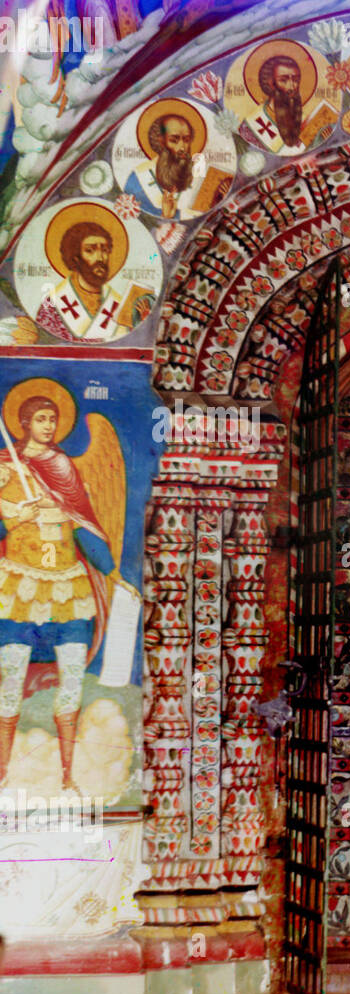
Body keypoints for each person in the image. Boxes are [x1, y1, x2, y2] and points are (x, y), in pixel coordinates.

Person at [0, 396, 116, 791]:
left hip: (68, 590)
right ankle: (1, 774)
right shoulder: (5, 469)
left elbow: (85, 525)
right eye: (41, 419)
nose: (48, 425)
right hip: (20, 589)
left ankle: (68, 778)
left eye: (53, 419)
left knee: (72, 683)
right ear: (24, 423)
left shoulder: (64, 467)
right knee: (10, 680)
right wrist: (17, 516)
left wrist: (113, 572)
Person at [34, 221, 151, 343]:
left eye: (105, 250)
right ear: (76, 257)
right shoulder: (52, 307)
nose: (100, 257)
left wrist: (142, 324)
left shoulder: (120, 306)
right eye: (90, 250)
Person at [124, 113, 209, 220]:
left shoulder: (199, 176)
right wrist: (166, 217)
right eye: (174, 140)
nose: (182, 147)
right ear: (161, 141)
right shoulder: (138, 179)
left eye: (186, 140)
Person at [247, 54, 307, 153]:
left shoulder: (306, 119)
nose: (292, 87)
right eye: (283, 80)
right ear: (271, 83)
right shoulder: (251, 123)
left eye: (296, 80)